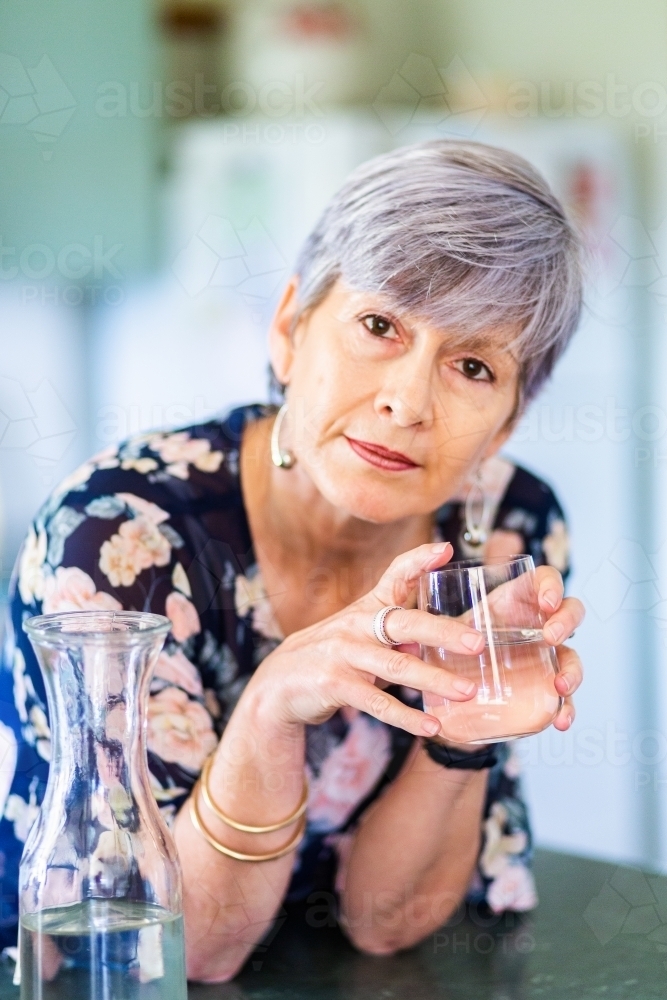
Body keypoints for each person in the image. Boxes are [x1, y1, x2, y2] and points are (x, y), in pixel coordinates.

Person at [0, 139, 584, 980]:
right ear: (289, 330)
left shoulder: (503, 530)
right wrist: (272, 705)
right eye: (380, 326)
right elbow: (181, 954)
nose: (407, 401)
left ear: (504, 425)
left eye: (471, 365)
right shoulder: (121, 537)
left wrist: (462, 735)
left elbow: (388, 924)